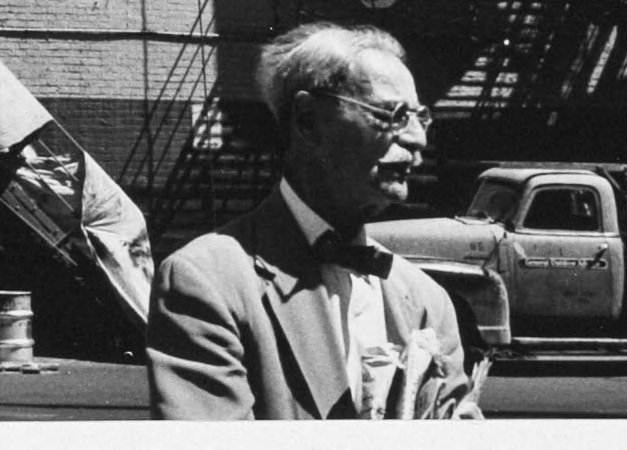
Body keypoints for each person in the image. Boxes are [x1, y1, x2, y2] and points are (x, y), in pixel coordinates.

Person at [146, 23, 484, 420]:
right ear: (307, 119)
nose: (416, 139)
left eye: (419, 117)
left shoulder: (427, 301)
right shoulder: (206, 281)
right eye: (392, 114)